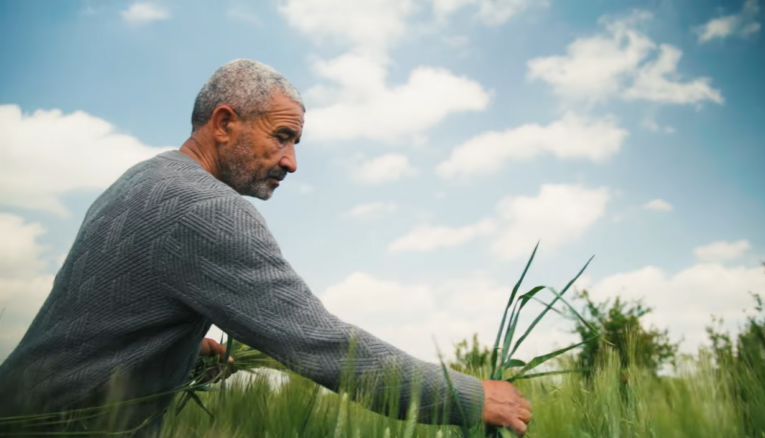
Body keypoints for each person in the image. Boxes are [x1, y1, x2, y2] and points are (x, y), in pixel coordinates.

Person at [0, 59, 532, 436]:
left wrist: (177, 351)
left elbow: (92, 318)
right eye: (281, 137)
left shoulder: (140, 180)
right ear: (225, 123)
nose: (291, 161)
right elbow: (322, 344)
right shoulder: (205, 209)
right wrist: (469, 396)